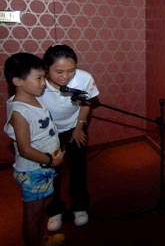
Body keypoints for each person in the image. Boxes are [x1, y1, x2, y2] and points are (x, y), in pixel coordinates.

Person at [3, 53, 66, 246]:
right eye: (39, 78)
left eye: (44, 77)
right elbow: (25, 149)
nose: (43, 83)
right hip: (35, 170)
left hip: (44, 167)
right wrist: (51, 161)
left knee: (44, 204)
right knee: (33, 215)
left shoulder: (32, 98)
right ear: (18, 81)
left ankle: (41, 238)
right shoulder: (20, 112)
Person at [39, 44, 99, 232]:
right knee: (51, 170)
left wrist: (79, 127)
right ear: (46, 70)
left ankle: (80, 207)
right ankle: (54, 210)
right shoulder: (38, 83)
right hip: (47, 130)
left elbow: (86, 102)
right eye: (59, 71)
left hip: (75, 126)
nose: (65, 76)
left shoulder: (83, 78)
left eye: (70, 70)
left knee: (78, 167)